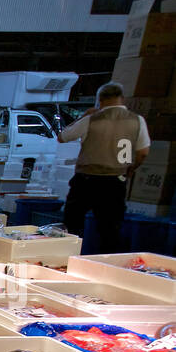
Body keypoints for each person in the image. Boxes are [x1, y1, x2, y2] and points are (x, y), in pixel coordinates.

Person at [59, 81, 149, 255]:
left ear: (100, 100)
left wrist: (84, 116)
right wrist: (131, 169)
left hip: (86, 180)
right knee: (110, 230)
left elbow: (62, 137)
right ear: (122, 98)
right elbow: (143, 152)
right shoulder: (137, 121)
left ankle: (67, 259)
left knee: (72, 225)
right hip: (116, 181)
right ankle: (106, 262)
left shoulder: (91, 119)